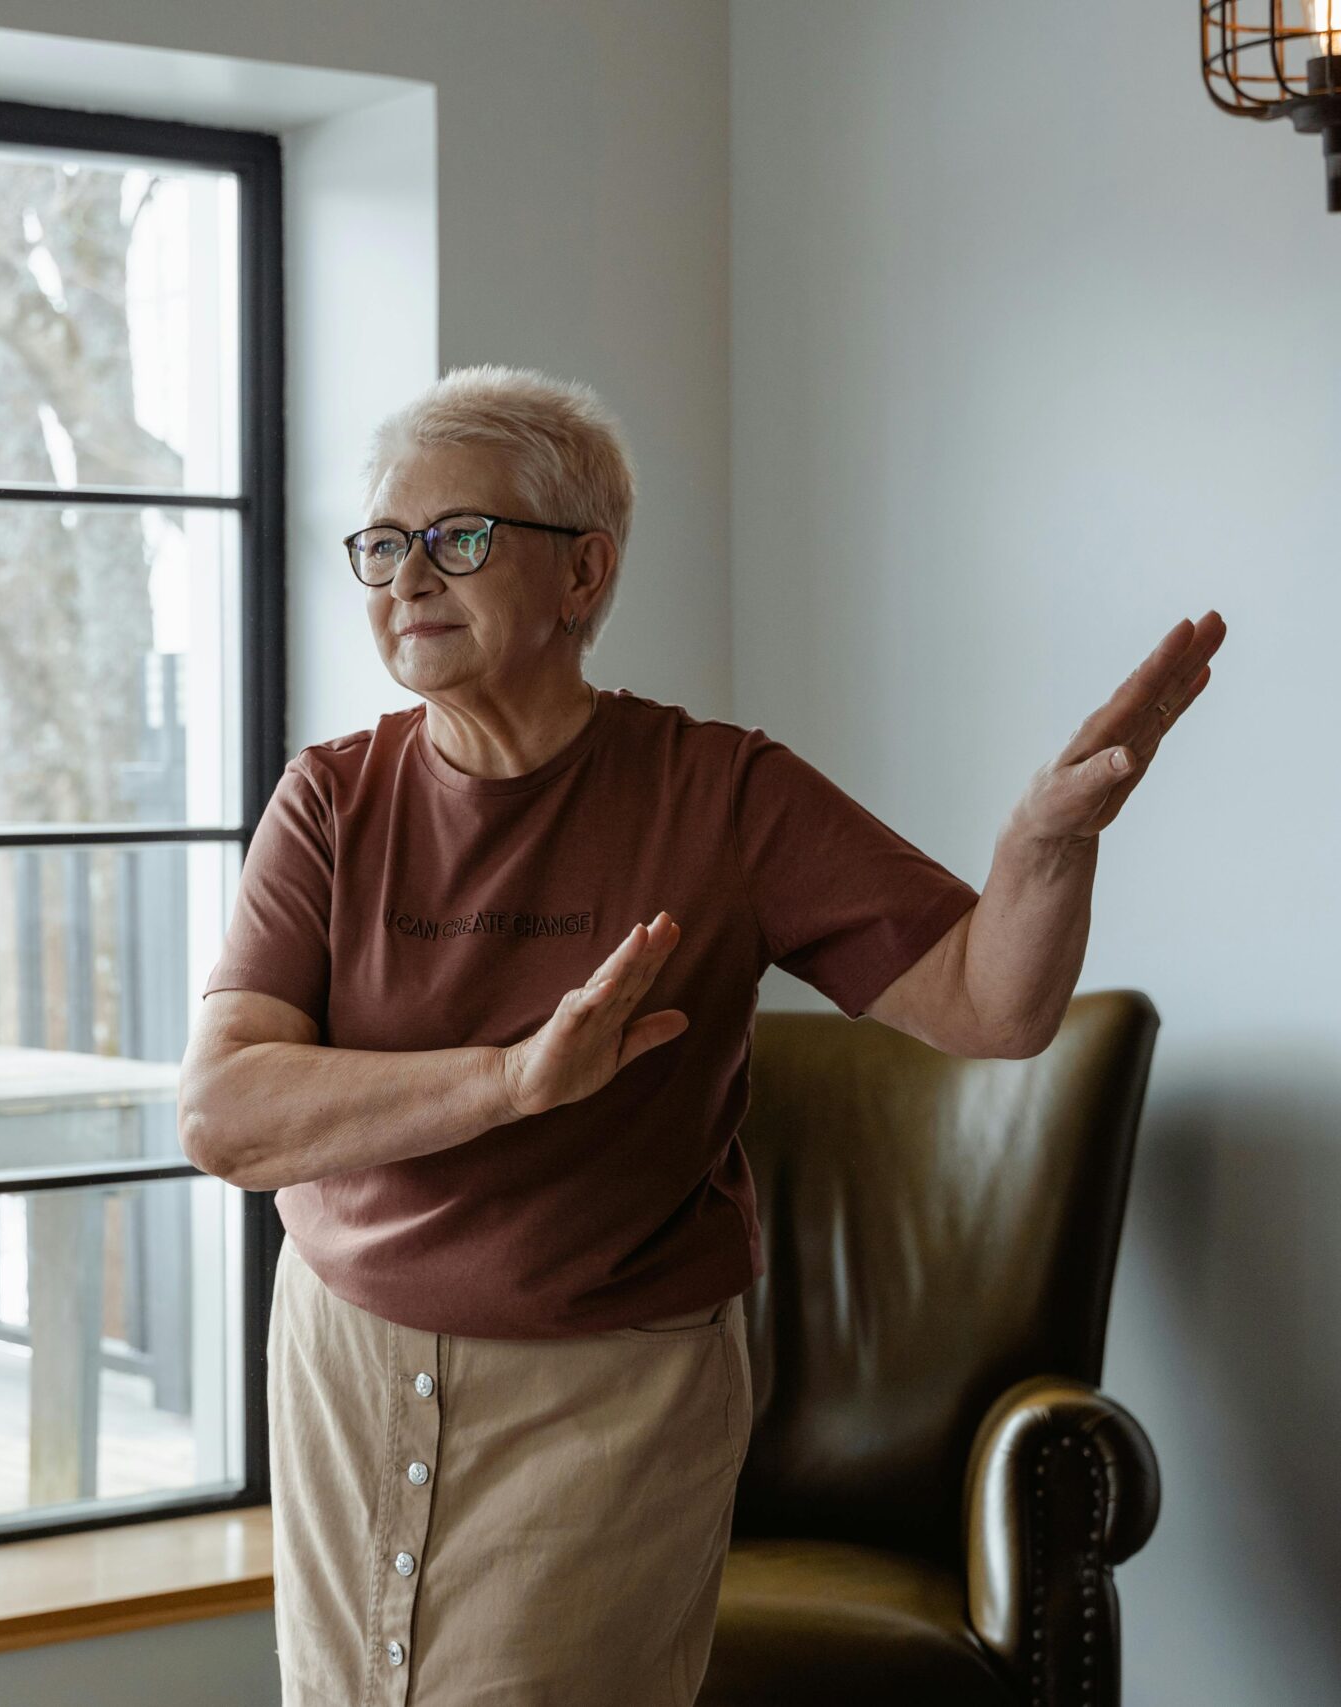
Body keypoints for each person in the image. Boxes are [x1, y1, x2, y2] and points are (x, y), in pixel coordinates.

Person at [174, 361, 1223, 1705]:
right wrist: (508, 1082)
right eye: (383, 544)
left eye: (460, 537)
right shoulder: (330, 800)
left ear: (584, 572)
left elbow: (992, 1005)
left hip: (604, 1400)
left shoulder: (724, 795)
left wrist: (1044, 848)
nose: (408, 577)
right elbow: (225, 1115)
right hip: (346, 1364)